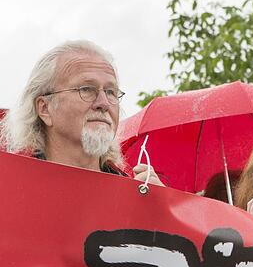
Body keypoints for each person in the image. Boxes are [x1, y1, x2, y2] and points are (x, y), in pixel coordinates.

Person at [0, 40, 160, 185]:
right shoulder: (9, 186)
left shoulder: (138, 196)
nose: (104, 103)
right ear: (45, 108)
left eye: (111, 92)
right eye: (87, 89)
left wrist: (165, 210)